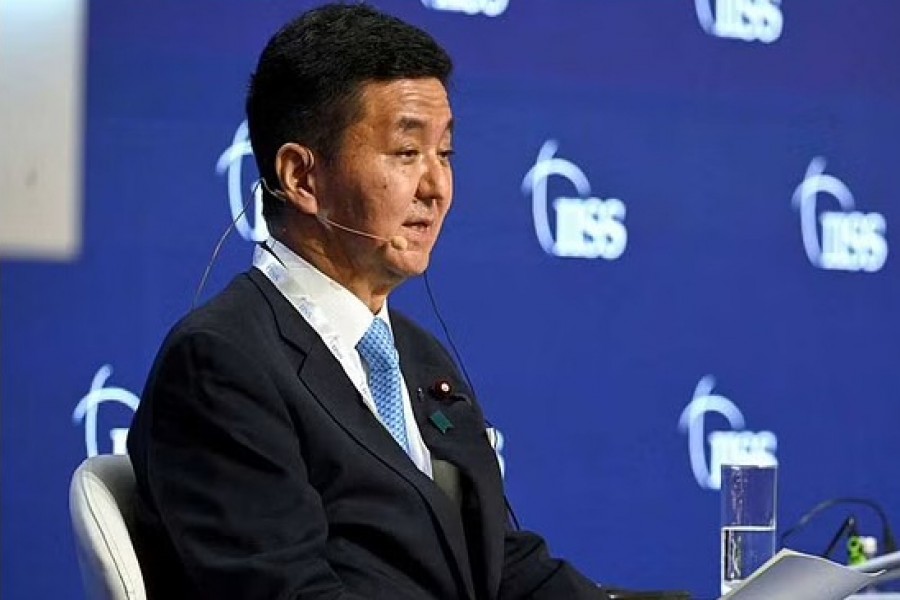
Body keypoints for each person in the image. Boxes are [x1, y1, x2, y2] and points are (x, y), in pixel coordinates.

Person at [128, 4, 611, 599]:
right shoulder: (222, 365)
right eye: (407, 154)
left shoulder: (416, 356)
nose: (436, 188)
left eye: (446, 154)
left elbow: (496, 565)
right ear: (302, 178)